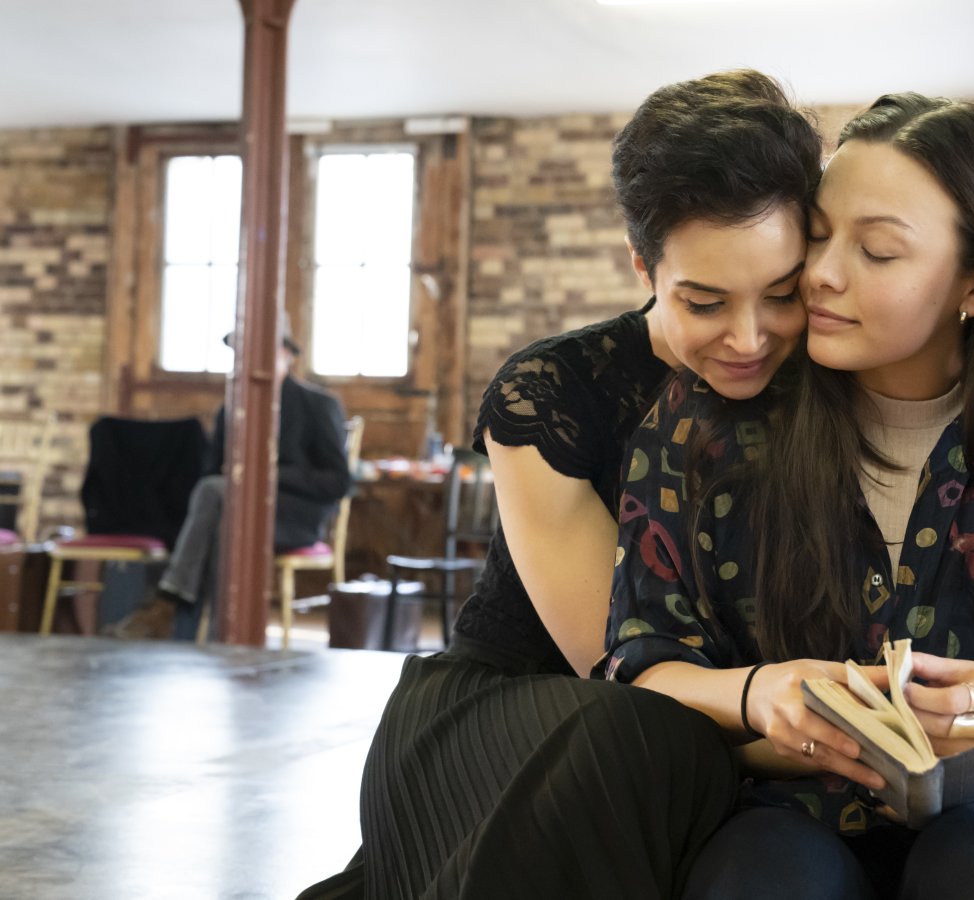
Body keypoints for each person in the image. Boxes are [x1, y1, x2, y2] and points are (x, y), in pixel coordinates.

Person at [604, 93, 974, 900]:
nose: (821, 273)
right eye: (818, 235)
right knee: (768, 872)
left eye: (877, 251)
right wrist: (765, 706)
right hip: (779, 829)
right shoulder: (705, 429)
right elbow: (638, 666)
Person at [300, 70, 823, 899]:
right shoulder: (549, 392)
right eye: (705, 303)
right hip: (523, 721)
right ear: (642, 266)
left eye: (782, 295)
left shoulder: (827, 382)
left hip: (727, 730)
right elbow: (613, 664)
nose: (749, 338)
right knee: (641, 736)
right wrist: (799, 728)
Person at [106, 319, 351, 639]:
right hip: (234, 507)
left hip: (294, 516)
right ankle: (221, 636)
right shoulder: (232, 410)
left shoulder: (318, 404)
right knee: (224, 516)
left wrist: (268, 475)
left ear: (285, 354)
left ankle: (170, 605)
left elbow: (337, 482)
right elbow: (213, 472)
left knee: (216, 497)